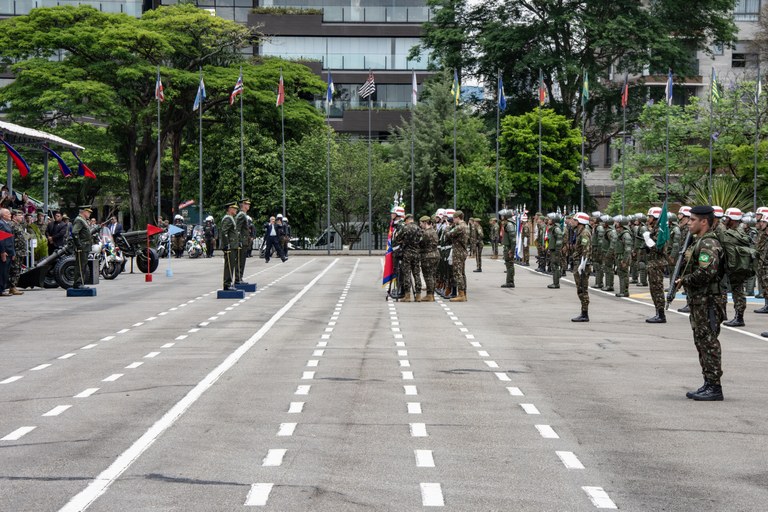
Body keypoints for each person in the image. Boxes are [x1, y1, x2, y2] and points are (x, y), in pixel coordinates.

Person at [675, 205, 725, 401]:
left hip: (709, 301)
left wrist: (685, 280)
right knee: (702, 341)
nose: (689, 223)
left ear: (704, 222)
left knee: (709, 342)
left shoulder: (708, 243)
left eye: (693, 219)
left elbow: (707, 272)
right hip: (700, 301)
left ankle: (714, 387)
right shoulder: (699, 242)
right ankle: (708, 383)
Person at [644, 207, 667, 323]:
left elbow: (659, 248)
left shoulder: (660, 230)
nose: (648, 219)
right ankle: (658, 312)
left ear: (655, 218)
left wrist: (648, 240)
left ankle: (661, 314)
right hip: (653, 263)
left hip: (657, 264)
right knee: (653, 289)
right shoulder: (654, 229)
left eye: (650, 217)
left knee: (657, 289)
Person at [394, 213, 422, 302]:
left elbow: (397, 239)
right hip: (416, 253)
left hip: (407, 254)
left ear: (406, 220)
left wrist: (401, 239)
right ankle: (418, 295)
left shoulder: (405, 228)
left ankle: (407, 295)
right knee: (417, 274)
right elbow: (421, 240)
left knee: (407, 273)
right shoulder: (418, 228)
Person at [571, 212, 592, 322]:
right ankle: (583, 313)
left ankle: (585, 314)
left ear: (580, 222)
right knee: (580, 289)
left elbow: (586, 250)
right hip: (578, 263)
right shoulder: (579, 232)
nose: (572, 222)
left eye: (574, 220)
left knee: (583, 289)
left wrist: (582, 265)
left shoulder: (584, 233)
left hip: (582, 264)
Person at [446, 210, 469, 302]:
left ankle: (461, 294)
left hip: (458, 252)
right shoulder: (466, 226)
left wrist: (448, 227)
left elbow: (448, 234)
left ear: (458, 218)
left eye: (454, 218)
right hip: (462, 251)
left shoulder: (459, 227)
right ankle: (464, 293)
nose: (453, 220)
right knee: (462, 273)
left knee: (457, 273)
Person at [71, 205, 93, 289]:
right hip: (82, 247)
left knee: (83, 265)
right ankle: (78, 283)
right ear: (83, 212)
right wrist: (79, 245)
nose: (89, 214)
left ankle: (81, 282)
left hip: (85, 246)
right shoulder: (79, 220)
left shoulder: (83, 220)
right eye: (88, 212)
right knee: (80, 265)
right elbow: (74, 232)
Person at [419, 215, 439, 302]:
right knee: (433, 275)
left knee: (428, 276)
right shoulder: (434, 231)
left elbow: (420, 244)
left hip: (428, 256)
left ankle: (429, 295)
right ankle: (432, 294)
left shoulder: (426, 233)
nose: (420, 225)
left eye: (421, 223)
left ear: (425, 223)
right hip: (435, 255)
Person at [220, 202, 239, 290]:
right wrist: (226, 244)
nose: (236, 210)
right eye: (234, 208)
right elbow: (224, 232)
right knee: (229, 266)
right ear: (230, 209)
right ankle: (227, 284)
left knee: (231, 265)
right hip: (230, 245)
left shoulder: (231, 218)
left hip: (232, 245)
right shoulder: (227, 218)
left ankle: (228, 283)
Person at [8, 209, 26, 295]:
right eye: (19, 215)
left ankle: (13, 287)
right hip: (15, 251)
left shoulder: (18, 225)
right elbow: (10, 239)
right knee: (14, 269)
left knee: (17, 269)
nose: (22, 217)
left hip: (20, 251)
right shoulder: (11, 225)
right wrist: (12, 252)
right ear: (14, 216)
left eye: (22, 215)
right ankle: (12, 287)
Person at [614, 215, 633, 298]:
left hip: (623, 257)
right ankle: (622, 291)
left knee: (624, 275)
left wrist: (625, 260)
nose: (616, 223)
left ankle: (624, 291)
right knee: (621, 274)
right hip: (620, 257)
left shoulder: (626, 235)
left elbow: (628, 250)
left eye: (617, 222)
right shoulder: (621, 234)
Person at [235, 199, 251, 283]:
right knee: (240, 261)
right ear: (243, 205)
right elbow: (237, 229)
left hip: (244, 241)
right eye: (247, 204)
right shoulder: (241, 215)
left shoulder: (243, 214)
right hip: (241, 241)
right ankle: (238, 279)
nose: (249, 205)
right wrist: (239, 241)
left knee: (242, 261)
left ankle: (239, 278)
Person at [0, 208, 15, 296]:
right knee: (2, 272)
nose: (10, 215)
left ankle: (2, 288)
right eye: (8, 213)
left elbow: (10, 239)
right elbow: (1, 239)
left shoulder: (7, 224)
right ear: (3, 215)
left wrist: (13, 252)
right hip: (5, 252)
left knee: (5, 272)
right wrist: (2, 252)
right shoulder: (1, 224)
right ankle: (1, 290)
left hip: (9, 251)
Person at [546, 212, 563, 289]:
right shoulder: (553, 228)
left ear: (554, 220)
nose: (548, 220)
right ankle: (555, 282)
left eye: (550, 219)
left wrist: (557, 251)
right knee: (554, 266)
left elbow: (559, 240)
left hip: (555, 251)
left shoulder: (556, 229)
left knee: (555, 266)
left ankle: (556, 283)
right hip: (553, 250)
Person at [500, 210, 516, 288]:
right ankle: (510, 281)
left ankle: (510, 282)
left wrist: (511, 250)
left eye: (503, 215)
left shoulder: (509, 225)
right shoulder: (507, 224)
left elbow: (513, 239)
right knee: (509, 265)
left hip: (508, 248)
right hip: (508, 247)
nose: (502, 216)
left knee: (509, 265)